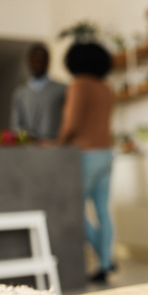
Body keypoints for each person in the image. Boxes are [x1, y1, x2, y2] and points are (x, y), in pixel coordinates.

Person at [57, 42, 116, 282]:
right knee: (103, 210)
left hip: (85, 154)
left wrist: (57, 143)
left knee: (74, 210)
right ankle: (105, 261)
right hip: (107, 153)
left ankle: (104, 258)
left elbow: (72, 124)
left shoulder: (79, 84)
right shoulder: (106, 88)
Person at [11, 43, 67, 140]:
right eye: (34, 59)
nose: (38, 62)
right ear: (28, 61)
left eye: (41, 59)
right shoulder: (20, 93)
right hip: (29, 149)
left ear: (48, 61)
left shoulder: (62, 90)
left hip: (54, 148)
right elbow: (16, 125)